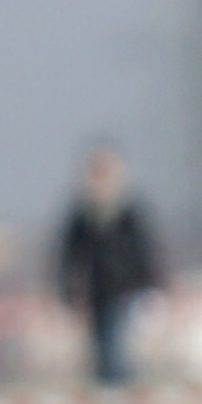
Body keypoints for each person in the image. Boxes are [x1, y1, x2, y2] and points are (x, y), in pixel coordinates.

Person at [57, 143, 162, 388]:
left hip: (128, 290)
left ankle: (121, 394)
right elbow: (70, 256)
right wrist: (67, 291)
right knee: (102, 347)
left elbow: (144, 251)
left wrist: (151, 287)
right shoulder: (83, 214)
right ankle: (110, 395)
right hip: (97, 291)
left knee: (121, 347)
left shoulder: (129, 211)